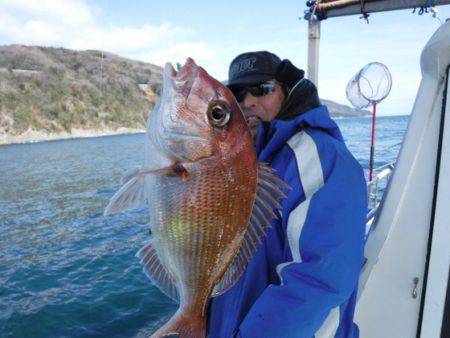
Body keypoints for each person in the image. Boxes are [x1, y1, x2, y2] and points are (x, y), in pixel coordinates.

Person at [207, 51, 367, 338]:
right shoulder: (244, 164)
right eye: (238, 94)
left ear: (287, 90)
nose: (249, 101)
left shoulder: (320, 157)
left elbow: (319, 279)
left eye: (262, 89)